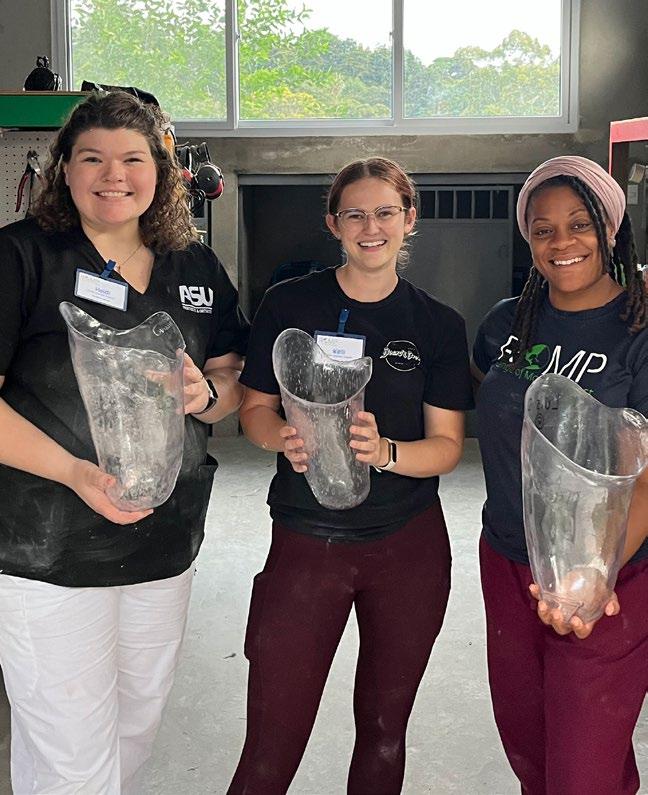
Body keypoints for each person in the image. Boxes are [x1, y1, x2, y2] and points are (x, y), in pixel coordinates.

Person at [0, 90, 249, 793]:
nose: (114, 176)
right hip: (49, 545)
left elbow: (231, 373)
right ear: (64, 170)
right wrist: (76, 473)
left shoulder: (192, 265)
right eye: (93, 159)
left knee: (135, 724)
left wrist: (209, 394)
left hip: (163, 541)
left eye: (133, 159)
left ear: (160, 171)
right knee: (68, 752)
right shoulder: (21, 256)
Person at [228, 156, 473, 794]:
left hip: (408, 547)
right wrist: (280, 437)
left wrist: (386, 452)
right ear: (333, 224)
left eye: (386, 212)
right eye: (355, 214)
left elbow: (446, 446)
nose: (371, 227)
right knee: (271, 741)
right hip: (307, 543)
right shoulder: (289, 303)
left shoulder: (437, 324)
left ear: (409, 219)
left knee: (384, 733)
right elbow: (254, 410)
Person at [472, 155, 648, 795]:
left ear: (611, 230)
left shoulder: (639, 331)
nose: (561, 241)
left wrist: (594, 574)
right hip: (507, 560)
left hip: (609, 573)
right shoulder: (505, 324)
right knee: (530, 749)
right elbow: (494, 413)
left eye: (580, 224)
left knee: (581, 771)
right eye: (542, 229)